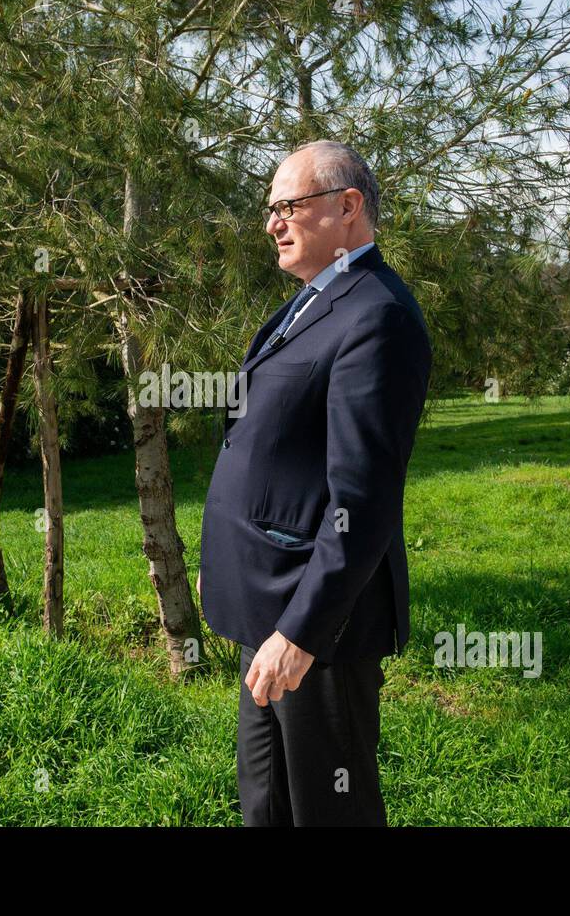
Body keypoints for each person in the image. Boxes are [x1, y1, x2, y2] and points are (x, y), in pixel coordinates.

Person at [197, 140, 432, 825]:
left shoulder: (377, 315)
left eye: (287, 206)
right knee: (266, 802)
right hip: (268, 599)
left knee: (331, 812)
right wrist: (228, 560)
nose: (273, 222)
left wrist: (301, 632)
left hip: (319, 622)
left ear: (348, 206)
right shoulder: (312, 300)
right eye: (270, 208)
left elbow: (362, 499)